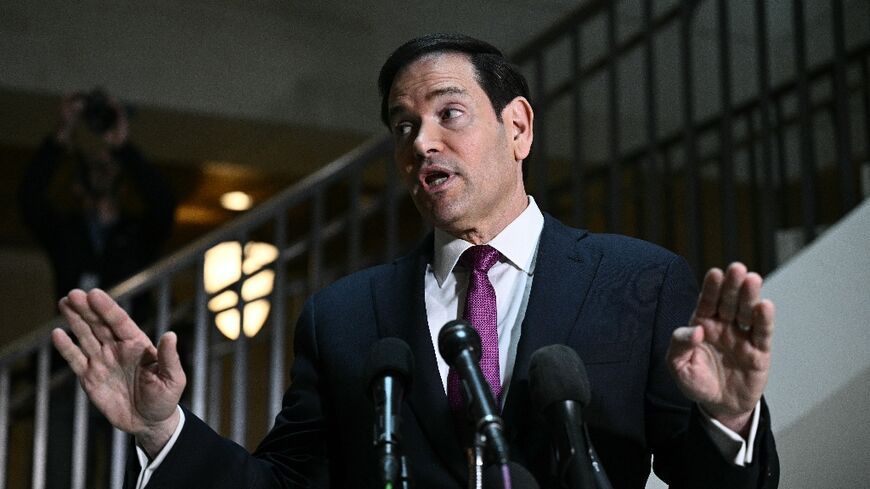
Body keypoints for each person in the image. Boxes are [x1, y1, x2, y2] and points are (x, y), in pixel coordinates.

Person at [51, 34, 778, 488]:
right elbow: (285, 485)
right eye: (403, 126)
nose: (421, 142)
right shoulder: (342, 316)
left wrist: (731, 418)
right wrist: (162, 429)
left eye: (448, 114)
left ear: (518, 127)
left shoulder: (638, 281)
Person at [19, 89, 176, 489]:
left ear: (121, 182)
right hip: (71, 370)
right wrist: (63, 131)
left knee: (125, 471)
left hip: (131, 367)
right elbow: (29, 199)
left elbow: (163, 204)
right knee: (63, 469)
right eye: (92, 167)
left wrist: (122, 145)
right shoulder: (66, 232)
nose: (101, 171)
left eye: (109, 167)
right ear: (77, 185)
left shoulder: (137, 233)